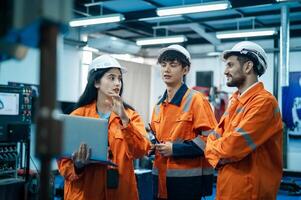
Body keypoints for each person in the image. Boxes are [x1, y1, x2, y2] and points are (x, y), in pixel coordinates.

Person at [57, 54, 151, 200]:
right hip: (85, 194)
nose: (117, 83)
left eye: (119, 78)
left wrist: (124, 119)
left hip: (121, 193)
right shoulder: (77, 116)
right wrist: (78, 165)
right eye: (111, 78)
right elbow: (64, 165)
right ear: (96, 82)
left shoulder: (130, 116)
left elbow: (140, 150)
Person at [204, 41, 283, 199]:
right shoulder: (235, 101)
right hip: (227, 188)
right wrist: (216, 151)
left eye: (230, 65)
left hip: (249, 192)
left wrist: (215, 152)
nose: (226, 71)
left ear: (248, 67)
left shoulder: (264, 102)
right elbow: (213, 138)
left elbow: (231, 147)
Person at [150, 44, 217, 200]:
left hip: (186, 184)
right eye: (164, 65)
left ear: (185, 70)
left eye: (173, 65)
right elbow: (158, 136)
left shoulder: (197, 100)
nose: (166, 70)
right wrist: (153, 146)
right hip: (160, 181)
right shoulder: (159, 106)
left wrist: (175, 149)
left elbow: (211, 139)